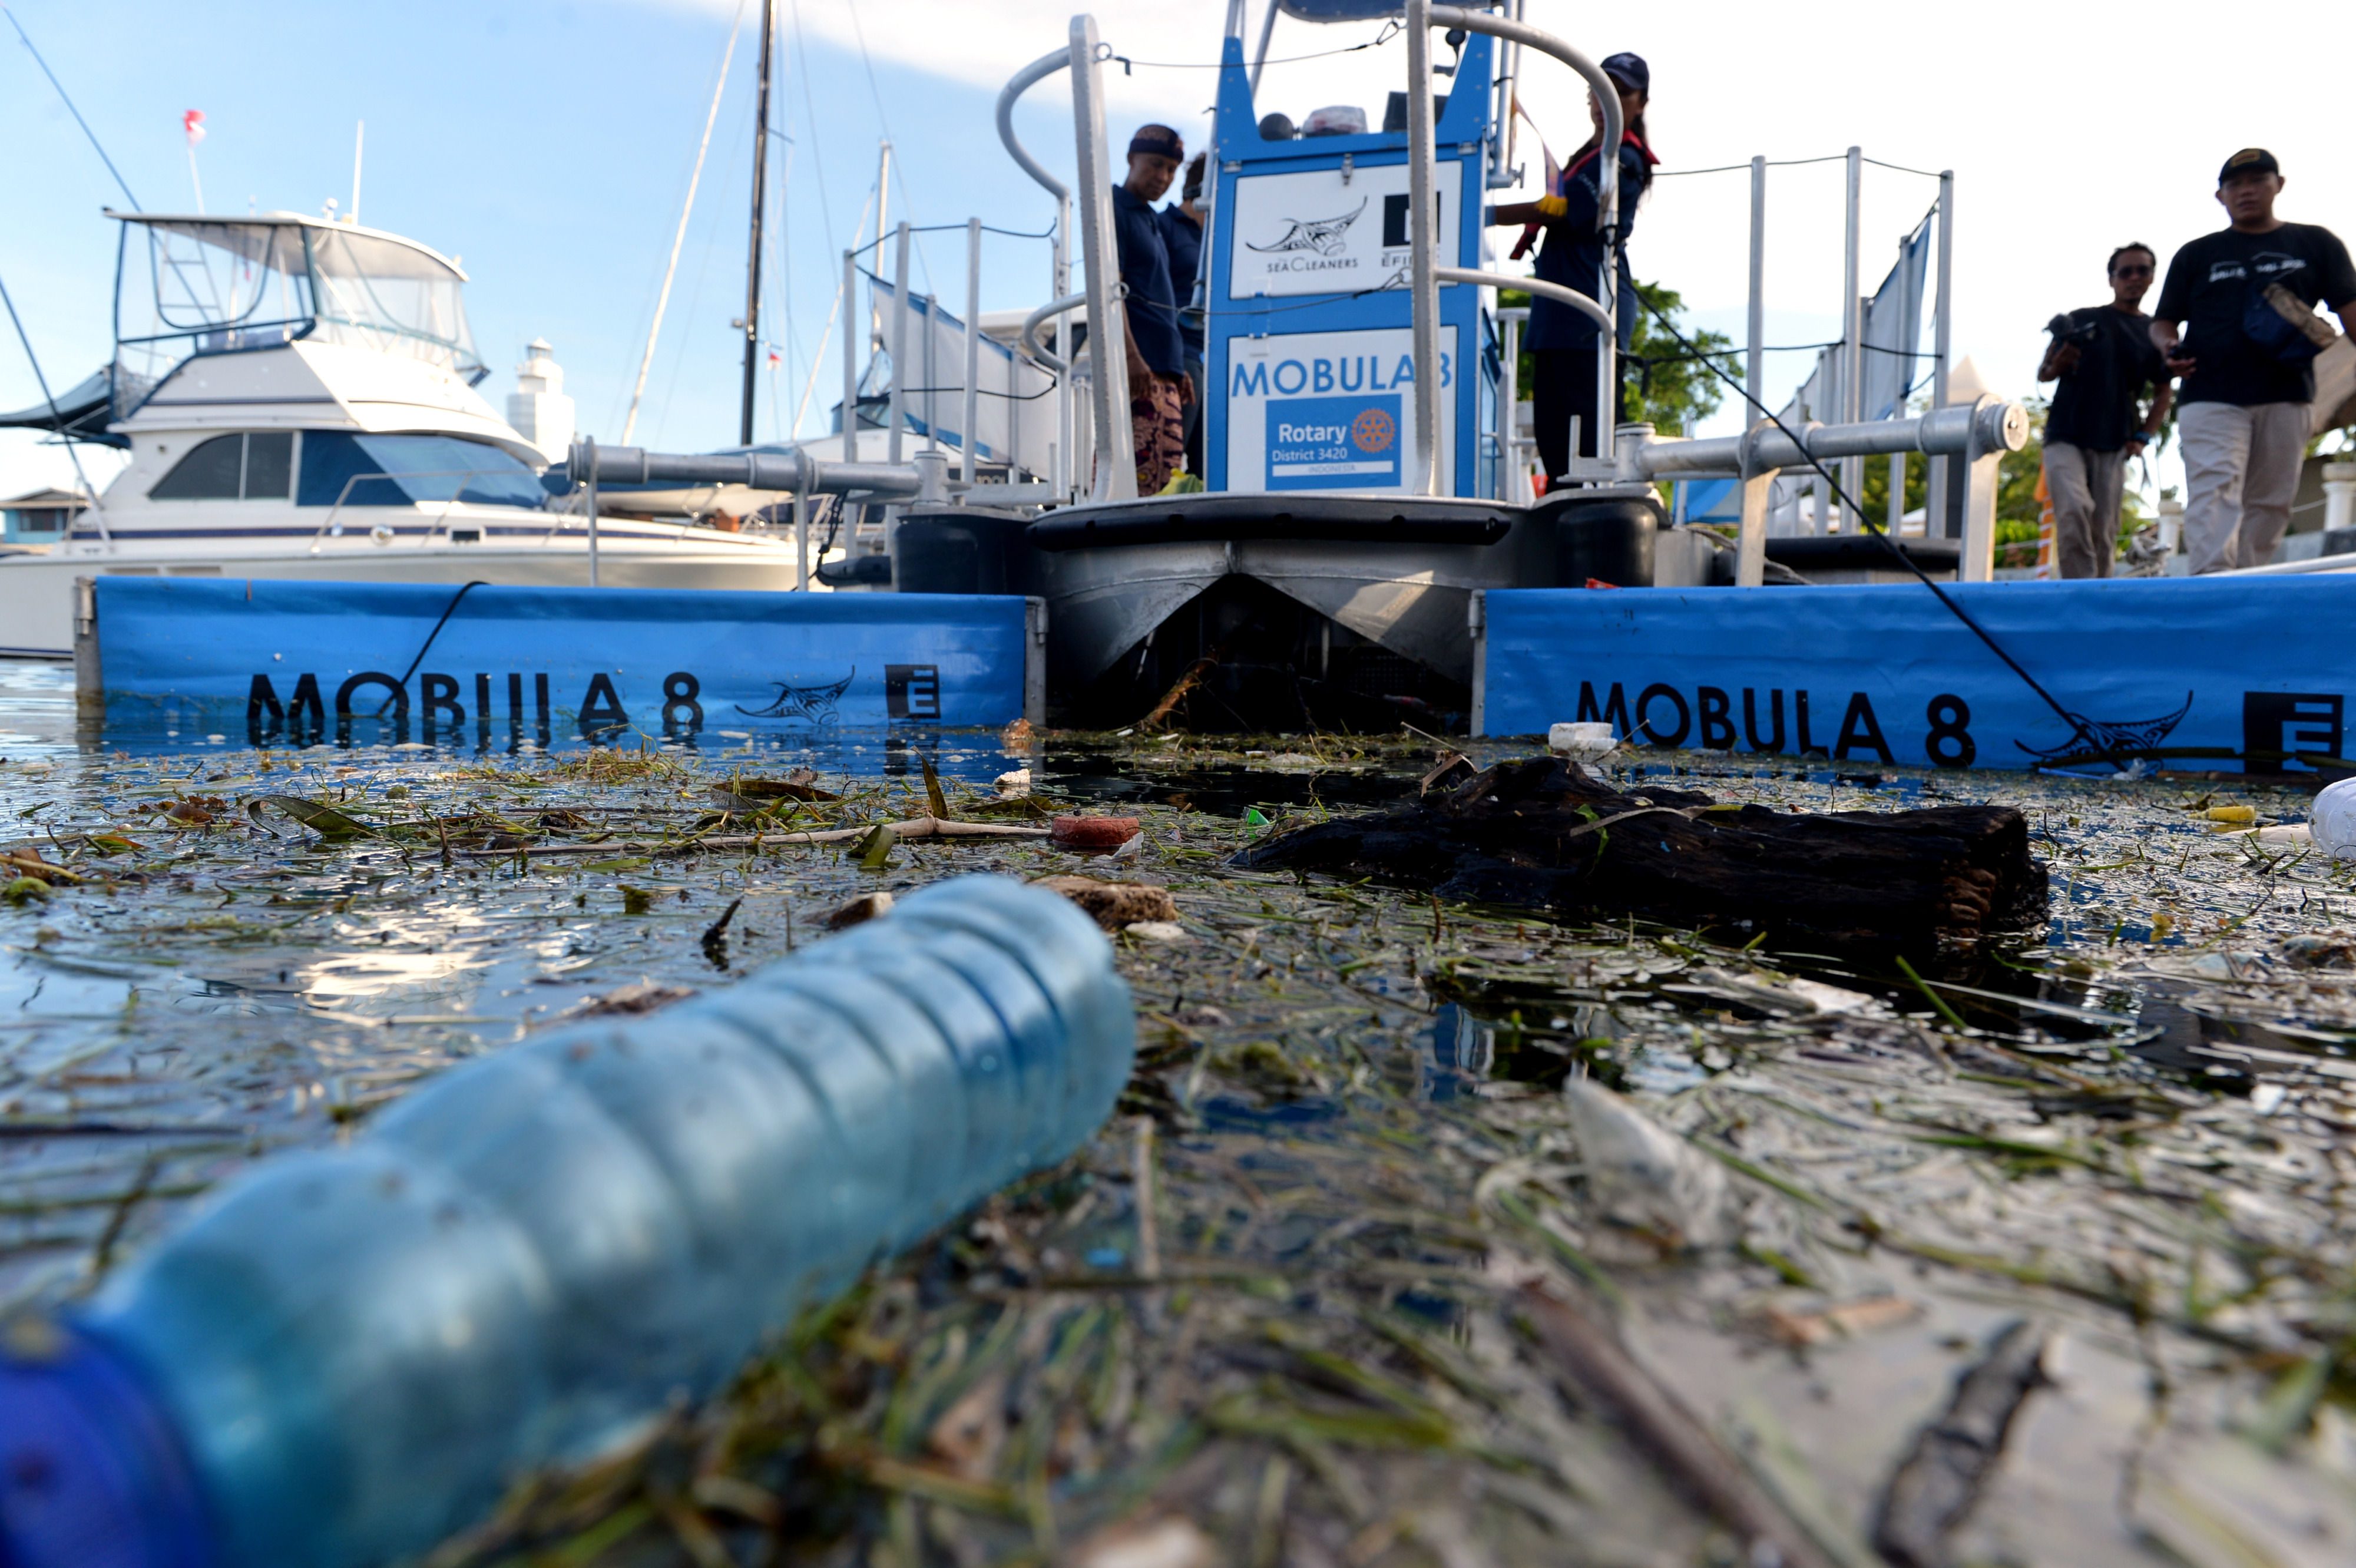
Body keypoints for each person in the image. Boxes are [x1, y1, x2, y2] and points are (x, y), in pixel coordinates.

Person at [2150, 148, 2356, 573]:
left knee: (2272, 500)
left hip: (2287, 394)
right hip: (2210, 392)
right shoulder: (2197, 254)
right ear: (2220, 196)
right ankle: (2213, 581)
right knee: (2215, 485)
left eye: (2257, 180)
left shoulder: (2316, 243)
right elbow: (2163, 320)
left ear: (2279, 185)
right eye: (2235, 185)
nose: (2246, 191)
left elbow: (2349, 307)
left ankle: (2249, 579)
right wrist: (2169, 348)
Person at [1488, 51, 1657, 485]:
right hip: (1558, 309)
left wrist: (1479, 212)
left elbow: (1561, 210)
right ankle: (1561, 515)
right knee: (1553, 437)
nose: (1605, 102)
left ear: (1640, 103)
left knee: (1594, 439)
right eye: (1599, 91)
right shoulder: (1592, 154)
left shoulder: (1624, 158)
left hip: (1590, 308)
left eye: (1620, 93)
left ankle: (1609, 513)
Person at [2036, 245, 2172, 578]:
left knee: (2104, 527)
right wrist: (2060, 362)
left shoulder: (2153, 332)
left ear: (2152, 277)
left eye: (2142, 270)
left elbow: (2163, 391)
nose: (2134, 278)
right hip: (2065, 434)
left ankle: (2100, 590)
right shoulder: (2081, 318)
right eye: (2126, 271)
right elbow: (2044, 373)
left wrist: (2143, 436)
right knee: (2073, 508)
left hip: (2114, 440)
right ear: (2112, 279)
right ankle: (2079, 590)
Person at [1111, 124, 1193, 497]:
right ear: (1132, 159)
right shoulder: (1115, 210)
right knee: (1138, 481)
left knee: (1165, 477)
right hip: (1139, 370)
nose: (1163, 177)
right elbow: (1111, 292)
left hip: (1164, 371)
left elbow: (1159, 296)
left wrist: (1176, 366)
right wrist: (1130, 356)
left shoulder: (1151, 219)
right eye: (1156, 165)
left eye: (1172, 169)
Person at [1157, 154, 1209, 484]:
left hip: (1214, 359)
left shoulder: (1215, 237)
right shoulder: (1163, 227)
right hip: (1181, 356)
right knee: (1170, 461)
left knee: (1210, 468)